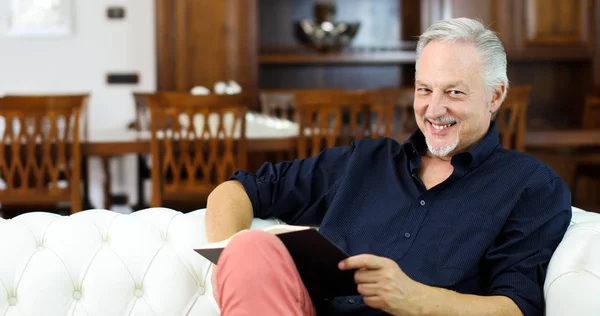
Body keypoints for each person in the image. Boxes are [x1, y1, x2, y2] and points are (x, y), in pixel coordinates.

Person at [204, 17, 572, 316]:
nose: (434, 109)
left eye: (454, 92)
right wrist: (228, 262)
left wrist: (415, 300)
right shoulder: (364, 161)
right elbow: (236, 191)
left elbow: (517, 307)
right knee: (250, 248)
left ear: (496, 95)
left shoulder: (531, 185)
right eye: (424, 89)